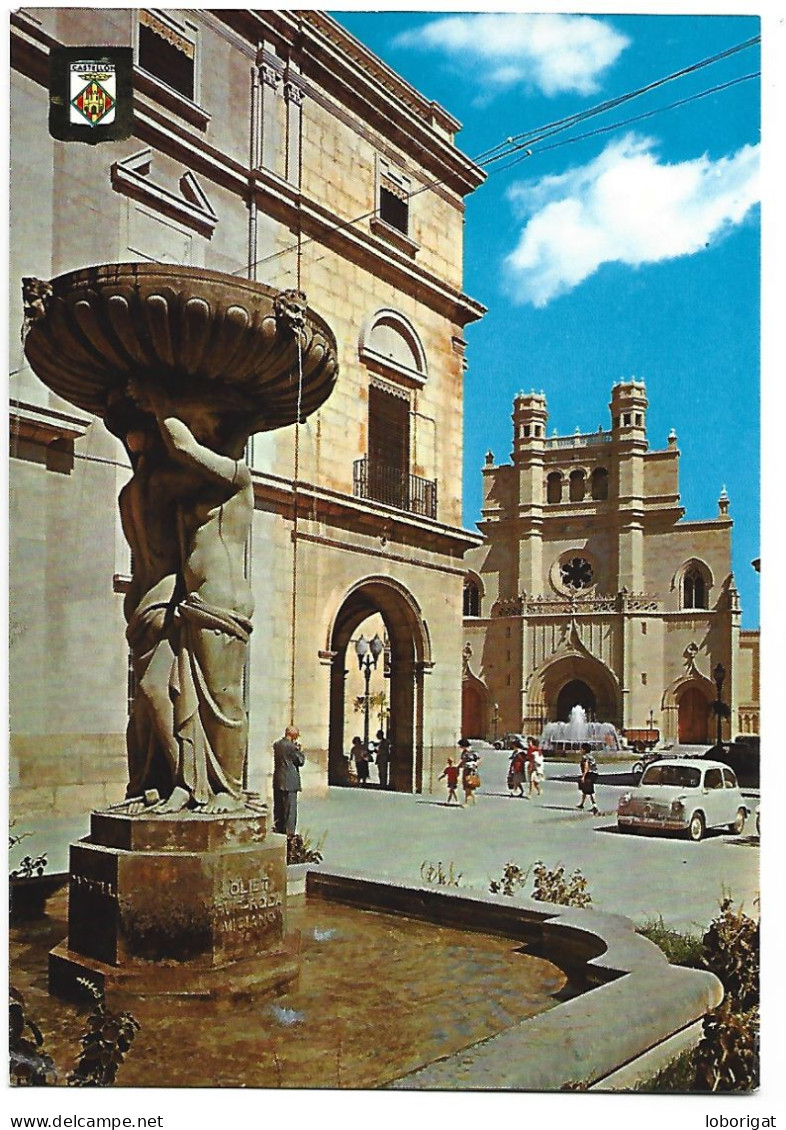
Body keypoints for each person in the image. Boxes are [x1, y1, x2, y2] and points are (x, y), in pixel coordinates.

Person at [128, 377, 255, 814]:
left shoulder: (237, 477)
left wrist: (162, 404)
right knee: (176, 693)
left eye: (202, 422)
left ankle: (229, 790)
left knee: (222, 700)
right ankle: (187, 782)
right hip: (191, 600)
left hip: (223, 600)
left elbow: (183, 449)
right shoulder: (193, 487)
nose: (194, 428)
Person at [272, 726, 305, 835]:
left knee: (279, 809)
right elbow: (300, 761)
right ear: (293, 735)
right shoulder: (292, 747)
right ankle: (289, 834)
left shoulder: (277, 745)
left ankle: (278, 830)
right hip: (290, 782)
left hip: (278, 780)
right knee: (290, 811)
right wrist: (300, 751)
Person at [577, 743, 599, 814]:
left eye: (581, 748)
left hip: (589, 774)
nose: (580, 750)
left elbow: (586, 766)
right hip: (594, 774)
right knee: (585, 789)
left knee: (590, 790)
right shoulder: (591, 756)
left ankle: (595, 806)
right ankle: (581, 804)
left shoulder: (585, 757)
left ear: (584, 750)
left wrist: (583, 776)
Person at [458, 738, 480, 806]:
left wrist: (475, 765)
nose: (460, 747)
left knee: (468, 785)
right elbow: (463, 761)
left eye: (461, 745)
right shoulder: (464, 753)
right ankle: (473, 799)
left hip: (470, 770)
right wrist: (458, 767)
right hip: (467, 770)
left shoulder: (472, 752)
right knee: (467, 786)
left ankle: (466, 802)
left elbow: (479, 760)